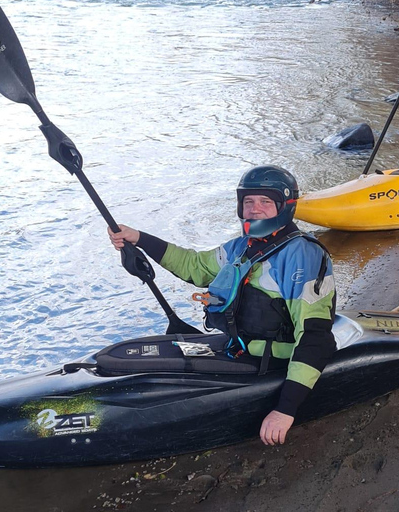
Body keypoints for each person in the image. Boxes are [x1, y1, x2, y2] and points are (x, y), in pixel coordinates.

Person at [108, 165, 336, 446]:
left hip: (273, 362)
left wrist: (285, 410)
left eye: (266, 201)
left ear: (285, 206)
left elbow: (316, 337)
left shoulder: (303, 255)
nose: (255, 209)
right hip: (237, 346)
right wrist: (140, 238)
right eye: (248, 201)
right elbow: (194, 266)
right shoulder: (242, 247)